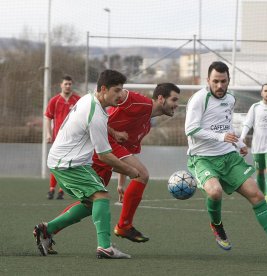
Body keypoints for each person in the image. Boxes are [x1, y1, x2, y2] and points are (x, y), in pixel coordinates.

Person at [42, 83, 181, 248]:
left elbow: (127, 151)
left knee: (91, 203)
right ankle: (123, 227)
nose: (177, 104)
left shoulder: (146, 125)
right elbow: (116, 99)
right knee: (142, 174)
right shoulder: (139, 102)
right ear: (160, 98)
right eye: (174, 99)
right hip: (103, 148)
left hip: (107, 156)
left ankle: (48, 230)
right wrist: (113, 93)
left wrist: (121, 184)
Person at [185, 61, 267, 258]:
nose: (220, 85)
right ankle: (217, 225)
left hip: (228, 157)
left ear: (229, 81)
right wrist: (221, 138)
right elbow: (191, 129)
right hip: (202, 159)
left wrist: (238, 143)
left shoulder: (230, 99)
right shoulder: (199, 99)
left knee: (257, 196)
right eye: (215, 81)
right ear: (208, 80)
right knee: (215, 192)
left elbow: (226, 126)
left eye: (223, 81)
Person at [33, 69, 140, 259]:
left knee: (91, 203)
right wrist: (131, 170)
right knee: (101, 196)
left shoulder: (88, 99)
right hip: (68, 163)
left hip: (64, 161)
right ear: (104, 89)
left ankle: (47, 230)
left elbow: (94, 123)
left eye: (122, 90)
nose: (121, 94)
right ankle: (105, 247)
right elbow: (105, 155)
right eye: (117, 90)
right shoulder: (96, 113)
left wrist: (113, 133)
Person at [45, 75, 80, 200]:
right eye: (66, 84)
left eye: (70, 84)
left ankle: (61, 191)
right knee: (56, 164)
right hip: (57, 139)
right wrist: (48, 134)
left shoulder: (78, 100)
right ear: (61, 85)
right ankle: (51, 189)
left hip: (73, 139)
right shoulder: (54, 100)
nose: (68, 86)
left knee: (69, 165)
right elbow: (48, 118)